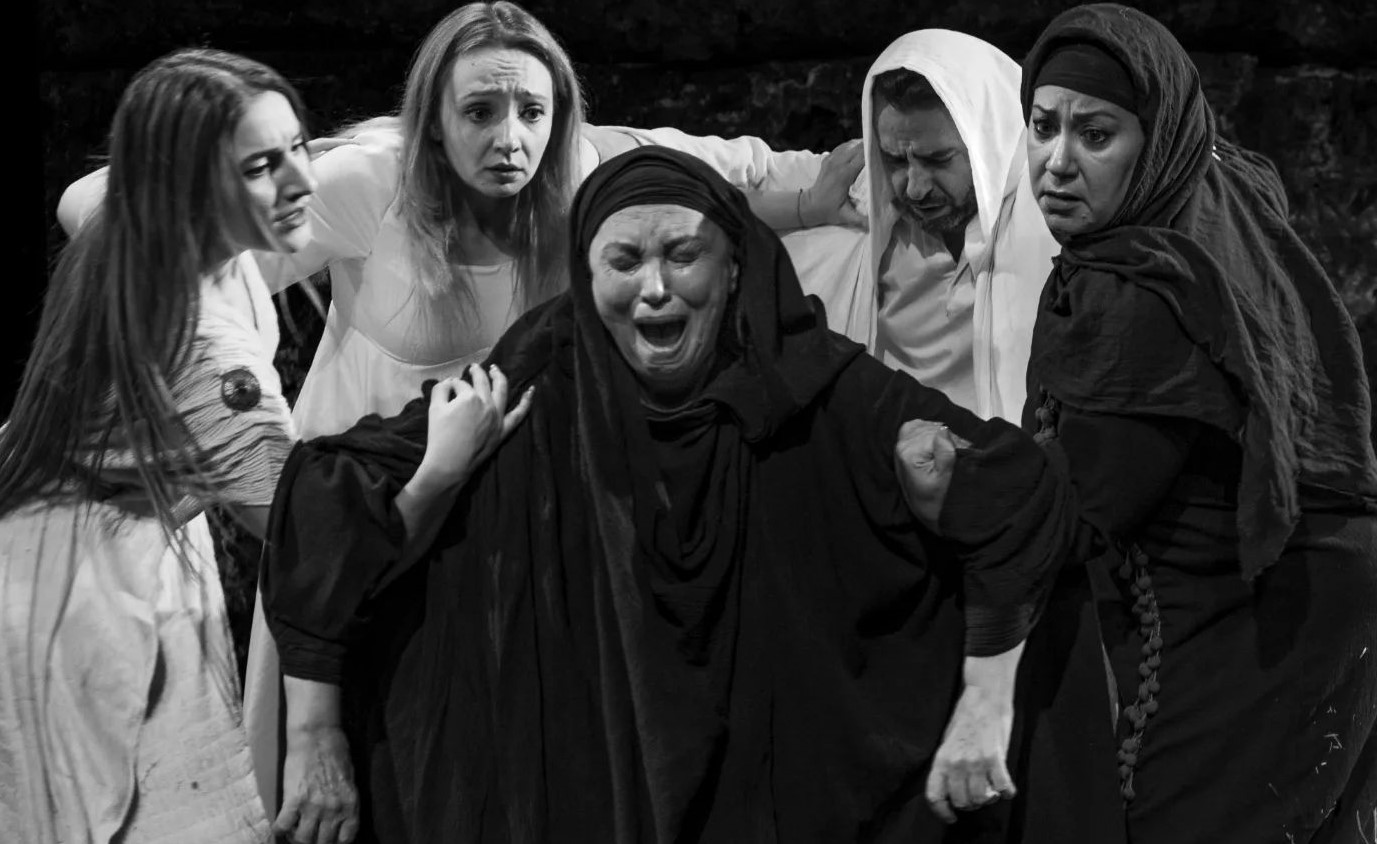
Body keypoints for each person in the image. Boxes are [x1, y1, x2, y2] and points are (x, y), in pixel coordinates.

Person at [257, 146, 1123, 844]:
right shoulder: (539, 380)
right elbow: (325, 502)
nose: (655, 288)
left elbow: (1023, 497)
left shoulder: (812, 382)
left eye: (682, 255)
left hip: (783, 784)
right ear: (585, 276)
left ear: (735, 267)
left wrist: (983, 701)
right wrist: (316, 730)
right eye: (623, 261)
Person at [1016, 5, 1377, 842]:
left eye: (1094, 134)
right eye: (1041, 126)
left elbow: (1075, 511)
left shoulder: (1138, 287)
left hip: (1259, 619)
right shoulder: (1213, 195)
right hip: (1328, 587)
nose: (1056, 162)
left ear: (1156, 140)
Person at [0, 48, 316, 842]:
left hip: (94, 540)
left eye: (298, 147)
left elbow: (81, 198)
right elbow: (304, 530)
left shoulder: (131, 227)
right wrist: (440, 467)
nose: (302, 181)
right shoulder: (203, 344)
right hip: (87, 584)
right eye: (261, 167)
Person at [776, 29, 1060, 423]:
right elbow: (691, 172)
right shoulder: (860, 191)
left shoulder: (1057, 217)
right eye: (895, 160)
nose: (914, 187)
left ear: (989, 140)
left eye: (938, 160)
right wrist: (805, 207)